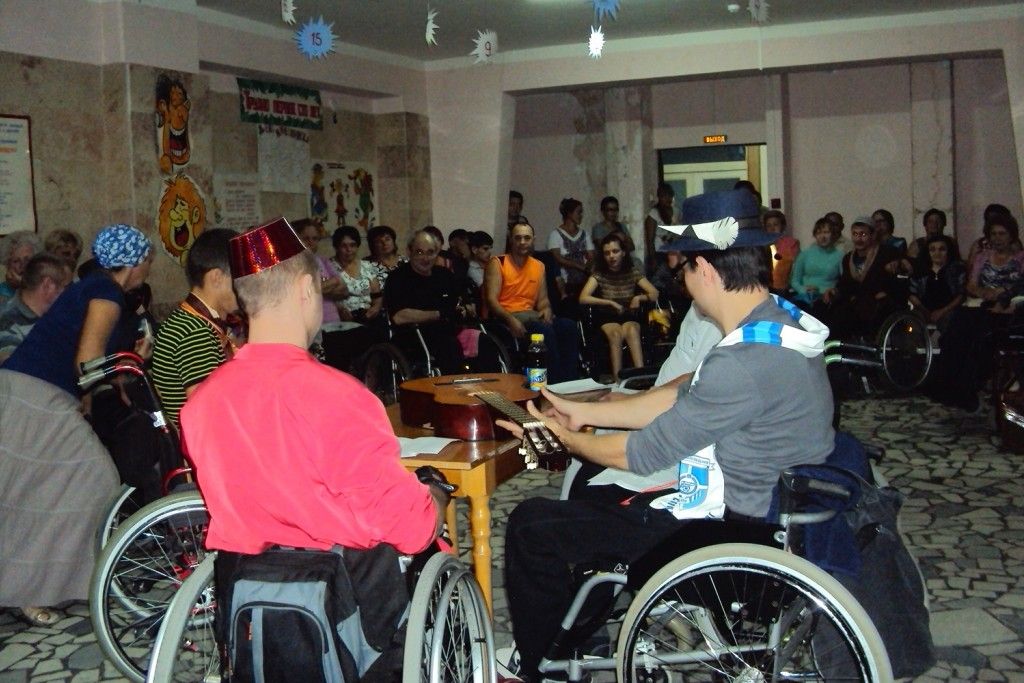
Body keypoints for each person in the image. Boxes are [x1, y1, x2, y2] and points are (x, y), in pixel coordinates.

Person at [499, 190, 834, 681]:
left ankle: (539, 667)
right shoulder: (777, 323)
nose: (682, 279)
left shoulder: (739, 362)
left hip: (725, 535)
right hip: (770, 511)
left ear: (706, 269)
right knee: (592, 501)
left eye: (685, 267)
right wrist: (582, 412)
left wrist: (564, 440)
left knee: (532, 524)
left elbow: (642, 453)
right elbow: (682, 392)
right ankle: (577, 630)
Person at [179, 218, 450, 679]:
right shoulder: (340, 396)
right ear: (307, 289)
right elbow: (409, 529)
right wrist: (436, 495)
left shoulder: (201, 403)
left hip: (244, 594)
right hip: (347, 606)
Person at [0, 224, 153, 626]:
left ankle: (35, 584)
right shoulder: (106, 292)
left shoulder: (96, 289)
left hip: (33, 392)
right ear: (135, 262)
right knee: (94, 477)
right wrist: (131, 361)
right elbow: (87, 363)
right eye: (148, 259)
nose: (149, 267)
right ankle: (34, 586)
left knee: (31, 490)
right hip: (37, 397)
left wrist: (120, 372)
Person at [151, 228, 241, 428]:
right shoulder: (194, 332)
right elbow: (209, 413)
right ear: (216, 277)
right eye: (239, 278)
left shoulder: (193, 321)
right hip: (199, 441)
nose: (245, 287)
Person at [484, 221, 580, 384]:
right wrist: (511, 320)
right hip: (507, 316)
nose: (522, 242)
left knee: (568, 326)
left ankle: (569, 383)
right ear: (511, 240)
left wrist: (546, 309)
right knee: (544, 331)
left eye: (527, 238)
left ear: (533, 240)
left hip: (531, 315)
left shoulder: (539, 266)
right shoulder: (498, 262)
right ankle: (552, 384)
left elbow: (543, 300)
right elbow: (491, 300)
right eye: (518, 238)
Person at [384, 230, 473, 374]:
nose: (425, 258)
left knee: (484, 342)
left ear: (437, 253)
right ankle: (457, 385)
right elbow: (399, 317)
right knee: (449, 345)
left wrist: (466, 308)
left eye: (430, 252)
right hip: (414, 335)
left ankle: (489, 385)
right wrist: (439, 314)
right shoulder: (397, 278)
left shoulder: (444, 275)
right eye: (419, 252)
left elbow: (459, 301)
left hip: (450, 330)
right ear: (409, 252)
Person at [579, 233, 659, 382]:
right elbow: (583, 297)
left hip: (628, 314)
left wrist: (638, 297)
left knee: (632, 330)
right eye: (607, 253)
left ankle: (641, 377)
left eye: (615, 251)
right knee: (615, 333)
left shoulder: (632, 272)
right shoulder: (599, 274)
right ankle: (618, 381)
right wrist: (609, 303)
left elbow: (654, 293)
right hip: (607, 316)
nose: (611, 256)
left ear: (623, 252)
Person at [829, 216, 902, 339]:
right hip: (856, 303)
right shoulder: (848, 258)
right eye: (855, 234)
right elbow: (845, 284)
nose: (859, 239)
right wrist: (834, 291)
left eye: (863, 234)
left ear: (873, 236)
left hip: (878, 302)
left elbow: (896, 279)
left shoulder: (887, 253)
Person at [0, 253, 72, 359]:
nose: (69, 293)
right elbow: (13, 366)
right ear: (47, 285)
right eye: (65, 287)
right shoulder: (7, 322)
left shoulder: (51, 316)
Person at [295, 218, 348, 325]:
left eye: (315, 238)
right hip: (308, 324)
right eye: (306, 238)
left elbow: (344, 291)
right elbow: (299, 294)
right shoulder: (290, 265)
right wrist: (333, 282)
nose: (311, 242)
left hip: (332, 321)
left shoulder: (323, 261)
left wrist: (315, 289)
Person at [907, 234, 965, 332]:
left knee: (952, 322)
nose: (937, 253)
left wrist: (942, 311)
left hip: (949, 310)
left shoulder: (957, 269)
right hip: (923, 310)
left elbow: (961, 295)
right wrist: (925, 311)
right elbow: (911, 294)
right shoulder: (920, 270)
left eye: (942, 249)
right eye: (932, 250)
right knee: (911, 323)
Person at [789, 216, 844, 311]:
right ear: (815, 235)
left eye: (826, 232)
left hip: (828, 298)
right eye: (819, 233)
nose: (823, 236)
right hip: (805, 297)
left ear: (833, 234)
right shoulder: (805, 254)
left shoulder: (840, 256)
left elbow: (844, 282)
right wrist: (803, 289)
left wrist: (833, 291)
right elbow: (794, 280)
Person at [329, 226, 382, 323]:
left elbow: (377, 296)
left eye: (352, 245)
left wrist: (375, 308)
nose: (349, 249)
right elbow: (324, 297)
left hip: (367, 316)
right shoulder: (328, 267)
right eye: (344, 246)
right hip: (340, 319)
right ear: (336, 247)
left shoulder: (367, 266)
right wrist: (340, 310)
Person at [547, 197, 592, 303]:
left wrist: (588, 268)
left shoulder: (584, 234)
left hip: (584, 279)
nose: (581, 215)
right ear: (569, 214)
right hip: (566, 282)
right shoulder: (555, 234)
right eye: (578, 212)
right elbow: (558, 258)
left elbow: (591, 256)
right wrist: (580, 266)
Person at [908, 208, 961, 272]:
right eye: (930, 221)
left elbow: (957, 263)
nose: (934, 224)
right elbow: (911, 267)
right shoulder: (916, 245)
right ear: (925, 225)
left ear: (944, 224)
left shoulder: (951, 242)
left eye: (938, 221)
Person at [643, 182, 679, 271]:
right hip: (659, 254)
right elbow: (650, 241)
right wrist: (653, 259)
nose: (667, 199)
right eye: (664, 196)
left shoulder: (677, 212)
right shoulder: (653, 214)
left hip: (673, 252)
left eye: (670, 196)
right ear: (659, 197)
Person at [0, 231, 42, 305]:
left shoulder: (45, 288)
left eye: (27, 260)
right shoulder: (2, 294)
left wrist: (24, 285)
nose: (23, 265)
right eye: (16, 261)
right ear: (8, 265)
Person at [764, 209, 799, 293]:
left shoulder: (791, 244)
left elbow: (796, 270)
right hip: (764, 289)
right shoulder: (761, 245)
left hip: (785, 289)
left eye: (775, 224)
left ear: (782, 226)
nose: (772, 228)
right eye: (768, 225)